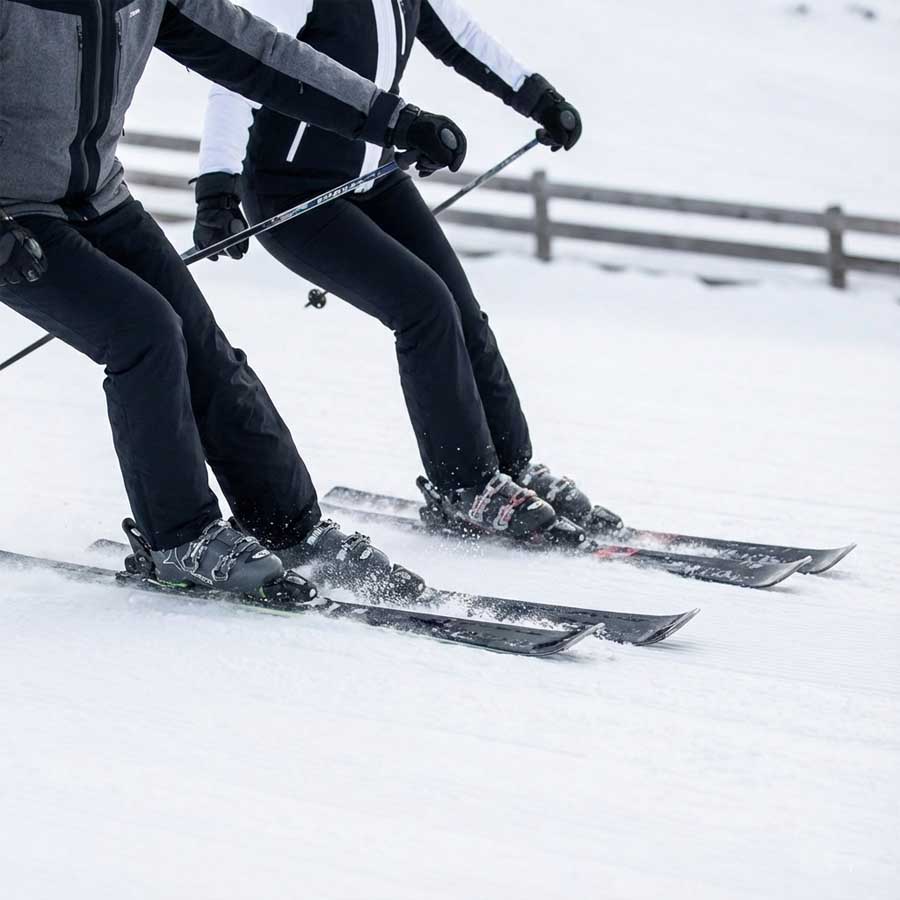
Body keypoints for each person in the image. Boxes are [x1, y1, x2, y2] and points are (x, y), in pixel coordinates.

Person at [0, 0, 468, 601]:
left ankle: (290, 528)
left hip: (100, 198)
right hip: (15, 219)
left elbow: (261, 54)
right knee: (144, 332)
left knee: (202, 345)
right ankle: (178, 539)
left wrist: (392, 119)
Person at [194, 0, 623, 542]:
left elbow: (461, 38)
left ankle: (511, 467)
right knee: (424, 307)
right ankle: (463, 485)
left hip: (375, 177)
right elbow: (237, 71)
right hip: (294, 194)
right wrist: (217, 186)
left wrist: (539, 99)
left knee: (462, 309)